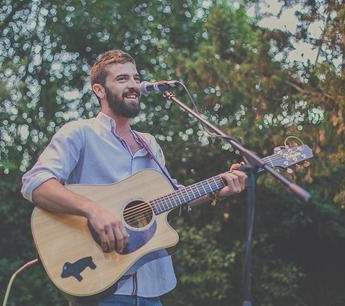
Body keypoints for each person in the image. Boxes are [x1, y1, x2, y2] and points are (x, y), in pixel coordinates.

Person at [21, 49, 247, 306]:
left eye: (136, 78)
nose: (133, 85)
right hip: (99, 282)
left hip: (152, 289)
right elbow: (35, 183)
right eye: (122, 79)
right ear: (99, 90)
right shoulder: (79, 133)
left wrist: (219, 188)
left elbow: (172, 197)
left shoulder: (148, 143)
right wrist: (94, 211)